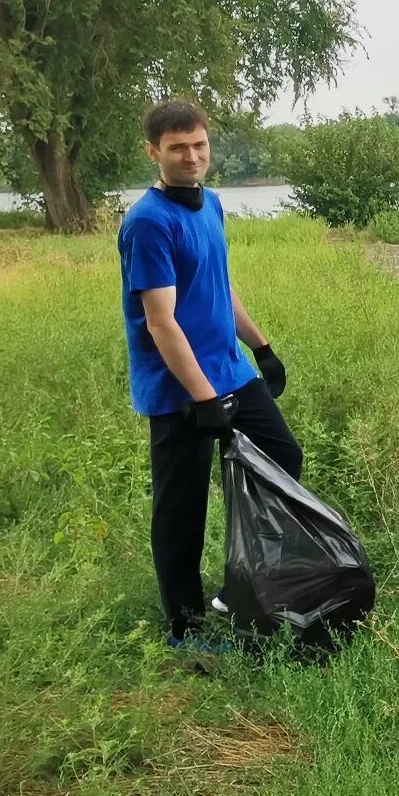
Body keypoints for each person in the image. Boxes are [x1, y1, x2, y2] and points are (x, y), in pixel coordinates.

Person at [118, 99, 303, 652]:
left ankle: (236, 587)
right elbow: (160, 322)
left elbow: (220, 286)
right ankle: (185, 627)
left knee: (282, 458)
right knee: (182, 507)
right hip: (179, 389)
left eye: (198, 145)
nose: (191, 156)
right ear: (154, 152)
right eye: (178, 148)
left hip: (229, 368)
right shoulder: (148, 223)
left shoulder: (212, 204)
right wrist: (204, 399)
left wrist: (261, 346)